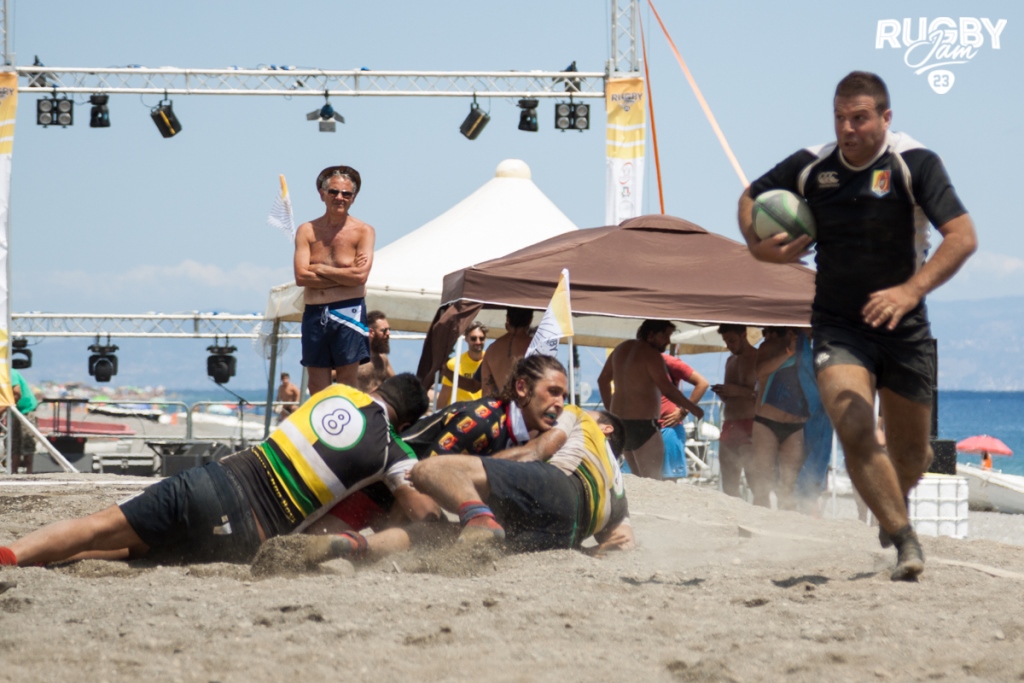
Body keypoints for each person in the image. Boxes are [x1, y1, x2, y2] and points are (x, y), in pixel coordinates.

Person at [738, 71, 977, 581]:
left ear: (885, 119)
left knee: (912, 455)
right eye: (840, 118)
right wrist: (759, 249)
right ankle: (906, 540)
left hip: (904, 325)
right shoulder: (811, 165)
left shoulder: (914, 163)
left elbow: (962, 236)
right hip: (838, 324)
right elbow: (749, 198)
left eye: (860, 118)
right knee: (852, 423)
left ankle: (890, 513)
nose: (848, 128)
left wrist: (911, 291)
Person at [0, 375, 439, 568]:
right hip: (248, 534)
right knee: (134, 553)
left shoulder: (335, 392)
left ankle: (16, 554)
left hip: (214, 479)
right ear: (406, 423)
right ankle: (37, 559)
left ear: (376, 388)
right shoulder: (393, 449)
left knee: (101, 527)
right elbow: (422, 513)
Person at [323, 355, 573, 539]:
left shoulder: (519, 432)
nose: (559, 403)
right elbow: (418, 476)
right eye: (553, 392)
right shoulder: (482, 421)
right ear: (522, 388)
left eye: (564, 396)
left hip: (392, 493)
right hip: (373, 490)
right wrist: (395, 534)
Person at [410, 405, 634, 555]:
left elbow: (533, 452)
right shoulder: (617, 489)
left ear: (606, 428)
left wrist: (476, 472)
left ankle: (478, 516)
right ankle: (374, 548)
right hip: (566, 535)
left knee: (428, 469)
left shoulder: (580, 416)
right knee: (435, 535)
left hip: (561, 486)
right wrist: (590, 552)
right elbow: (624, 540)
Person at [294, 166, 375, 395]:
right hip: (314, 311)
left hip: (348, 311)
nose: (340, 197)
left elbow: (360, 276)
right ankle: (321, 430)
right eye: (334, 192)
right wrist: (345, 276)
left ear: (353, 198)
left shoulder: (363, 231)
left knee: (347, 381)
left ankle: (348, 429)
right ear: (322, 194)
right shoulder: (307, 230)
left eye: (346, 194)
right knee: (316, 385)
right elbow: (301, 276)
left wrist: (318, 268)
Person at [597, 320, 705, 479]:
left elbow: (602, 381)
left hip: (621, 424)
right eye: (665, 335)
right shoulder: (651, 354)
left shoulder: (621, 349)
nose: (668, 341)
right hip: (643, 425)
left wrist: (610, 411)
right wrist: (692, 408)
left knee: (637, 478)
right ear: (651, 334)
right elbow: (667, 389)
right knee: (652, 481)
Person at [748, 327, 809, 510]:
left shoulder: (811, 351)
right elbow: (759, 372)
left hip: (796, 424)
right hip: (766, 422)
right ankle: (758, 526)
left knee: (789, 485)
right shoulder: (769, 346)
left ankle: (785, 529)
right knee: (763, 483)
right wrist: (789, 353)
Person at [710, 324, 757, 497]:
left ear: (744, 335)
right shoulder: (730, 361)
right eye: (726, 341)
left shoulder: (758, 358)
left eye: (732, 340)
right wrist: (724, 393)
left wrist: (738, 391)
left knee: (756, 483)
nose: (729, 345)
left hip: (751, 423)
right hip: (730, 424)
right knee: (729, 485)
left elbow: (763, 395)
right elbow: (732, 395)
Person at [658, 353, 709, 479]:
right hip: (642, 428)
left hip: (668, 427)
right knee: (638, 479)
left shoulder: (668, 361)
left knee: (669, 481)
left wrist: (683, 411)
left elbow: (702, 383)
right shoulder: (634, 362)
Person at [480, 308, 533, 397]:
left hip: (504, 407)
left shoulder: (492, 349)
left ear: (507, 318)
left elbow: (486, 392)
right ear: (530, 320)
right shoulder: (535, 346)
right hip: (528, 407)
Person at [437, 321, 487, 407]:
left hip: (482, 414)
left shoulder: (490, 361)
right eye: (473, 338)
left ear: (485, 339)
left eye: (481, 338)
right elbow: (444, 396)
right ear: (466, 339)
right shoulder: (454, 363)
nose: (478, 342)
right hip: (460, 415)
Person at [356, 310, 396, 393]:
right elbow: (331, 375)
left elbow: (396, 383)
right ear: (371, 332)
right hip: (357, 404)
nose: (388, 333)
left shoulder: (383, 358)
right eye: (384, 330)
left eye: (389, 329)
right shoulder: (355, 356)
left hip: (377, 404)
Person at [9, 369, 40, 474]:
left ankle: (29, 473)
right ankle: (13, 473)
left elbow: (17, 393)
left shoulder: (10, 373)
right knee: (14, 444)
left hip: (26, 409)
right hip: (14, 411)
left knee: (27, 443)